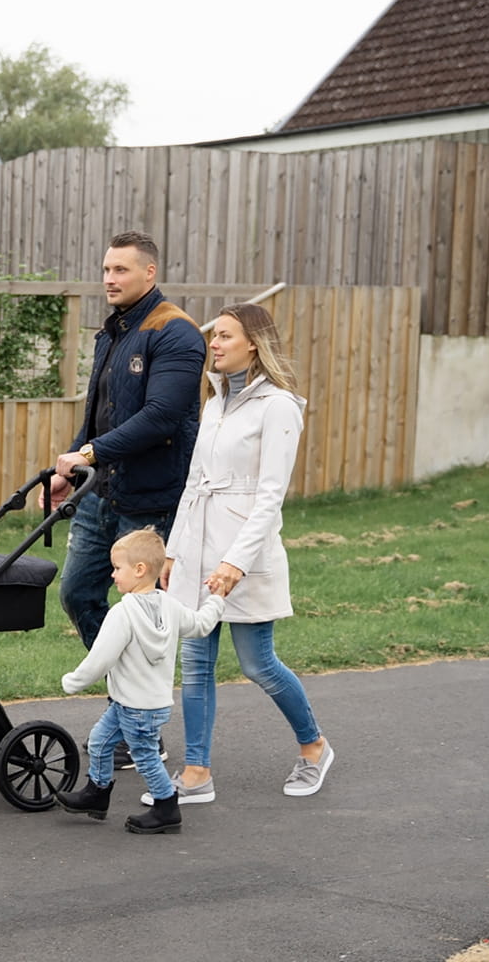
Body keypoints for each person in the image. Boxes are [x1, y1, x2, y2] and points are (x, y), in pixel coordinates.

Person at [142, 302, 334, 808]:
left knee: (257, 664)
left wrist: (236, 562)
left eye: (226, 335)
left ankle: (314, 747)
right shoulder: (215, 401)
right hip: (196, 548)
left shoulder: (280, 406)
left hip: (243, 552)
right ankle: (197, 772)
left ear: (254, 343)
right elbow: (194, 483)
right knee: (195, 663)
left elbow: (271, 497)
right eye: (215, 335)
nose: (215, 343)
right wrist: (172, 552)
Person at [46, 229, 207, 768]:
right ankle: (127, 709)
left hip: (150, 499)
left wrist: (89, 453)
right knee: (77, 594)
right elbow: (100, 415)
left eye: (120, 270)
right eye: (106, 269)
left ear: (149, 273)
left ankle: (141, 729)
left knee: (141, 614)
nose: (109, 279)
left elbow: (161, 418)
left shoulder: (175, 332)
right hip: (102, 493)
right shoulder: (112, 332)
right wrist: (74, 467)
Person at [54, 528, 225, 834]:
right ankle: (97, 793)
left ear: (139, 569)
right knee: (100, 741)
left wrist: (74, 681)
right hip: (138, 704)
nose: (112, 574)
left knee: (146, 757)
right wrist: (216, 600)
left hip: (135, 708)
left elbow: (101, 658)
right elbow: (201, 625)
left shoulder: (122, 614)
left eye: (117, 568)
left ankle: (166, 808)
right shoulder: (170, 606)